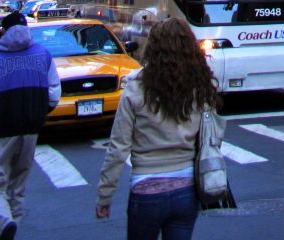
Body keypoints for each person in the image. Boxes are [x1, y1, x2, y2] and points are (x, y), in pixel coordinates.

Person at [96, 17, 225, 239]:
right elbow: (210, 136)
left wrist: (104, 196)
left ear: (153, 47)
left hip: (146, 189)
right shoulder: (200, 86)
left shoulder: (136, 88)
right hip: (187, 190)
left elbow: (118, 148)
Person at [0, 10, 61, 240]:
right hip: (31, 128)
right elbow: (54, 94)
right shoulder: (43, 54)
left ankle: (4, 222)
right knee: (18, 186)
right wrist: (39, 112)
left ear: (4, 31)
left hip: (1, 129)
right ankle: (12, 226)